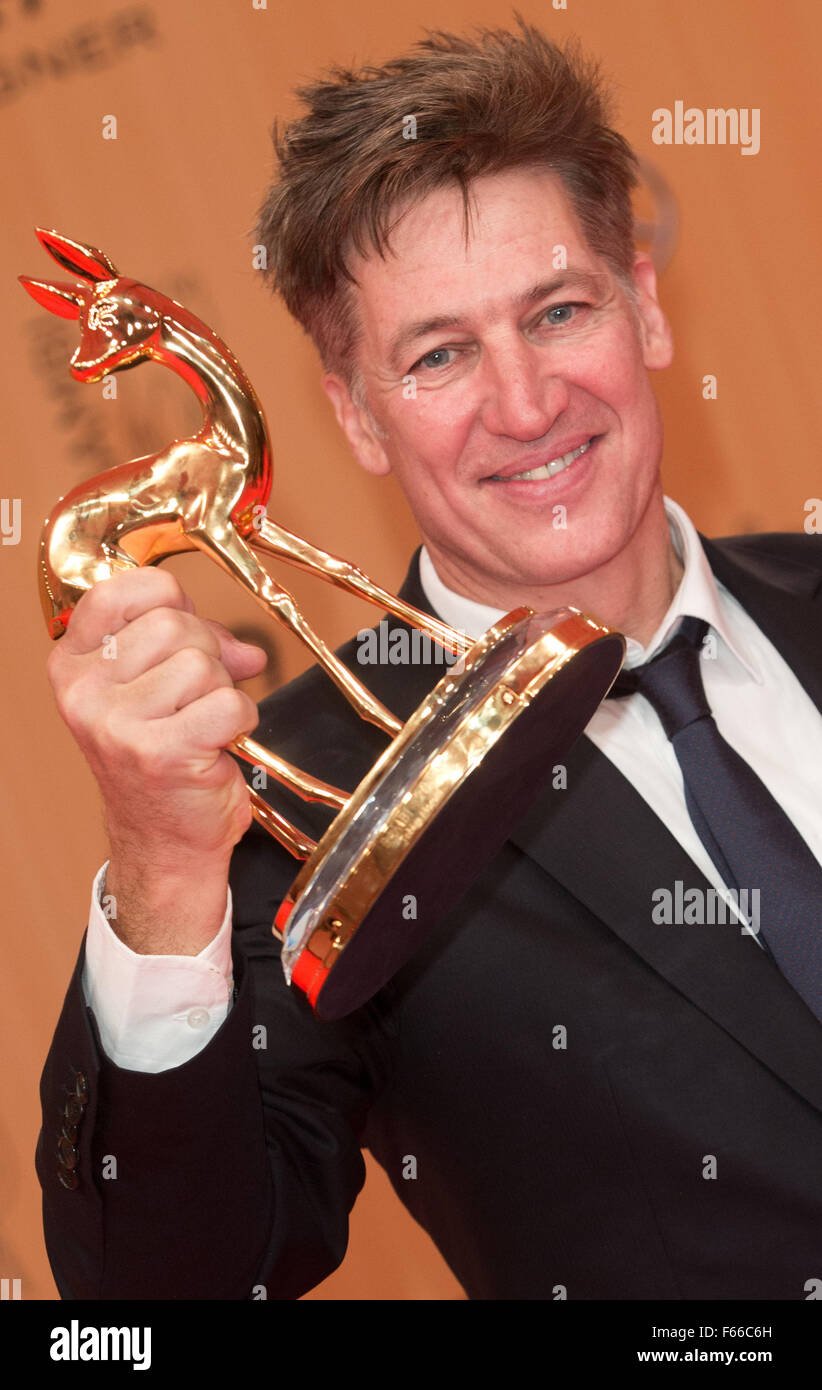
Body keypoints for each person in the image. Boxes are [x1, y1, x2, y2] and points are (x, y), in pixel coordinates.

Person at [37, 21, 822, 1300]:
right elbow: (163, 1290)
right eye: (440, 354)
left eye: (559, 311)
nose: (526, 405)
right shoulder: (291, 799)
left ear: (646, 307)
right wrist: (162, 872)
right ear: (353, 410)